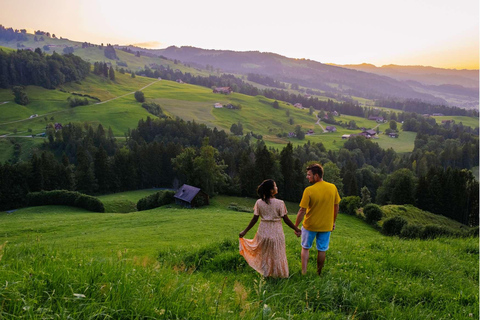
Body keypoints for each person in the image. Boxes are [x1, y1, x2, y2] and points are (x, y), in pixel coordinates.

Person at [239, 179, 301, 278]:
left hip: (263, 232)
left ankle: (266, 274)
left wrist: (244, 231)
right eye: (275, 186)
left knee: (265, 255)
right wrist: (297, 229)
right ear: (272, 190)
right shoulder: (280, 203)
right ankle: (279, 275)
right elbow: (286, 220)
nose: (277, 187)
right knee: (277, 254)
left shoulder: (259, 202)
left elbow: (254, 219)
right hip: (276, 232)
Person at [295, 163, 340, 276]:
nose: (307, 177)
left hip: (310, 225)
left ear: (316, 176)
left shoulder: (309, 190)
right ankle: (319, 273)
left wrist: (296, 226)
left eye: (309, 175)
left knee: (305, 248)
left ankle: (304, 272)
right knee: (322, 249)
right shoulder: (332, 187)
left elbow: (302, 211)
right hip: (326, 226)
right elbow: (336, 206)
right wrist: (333, 222)